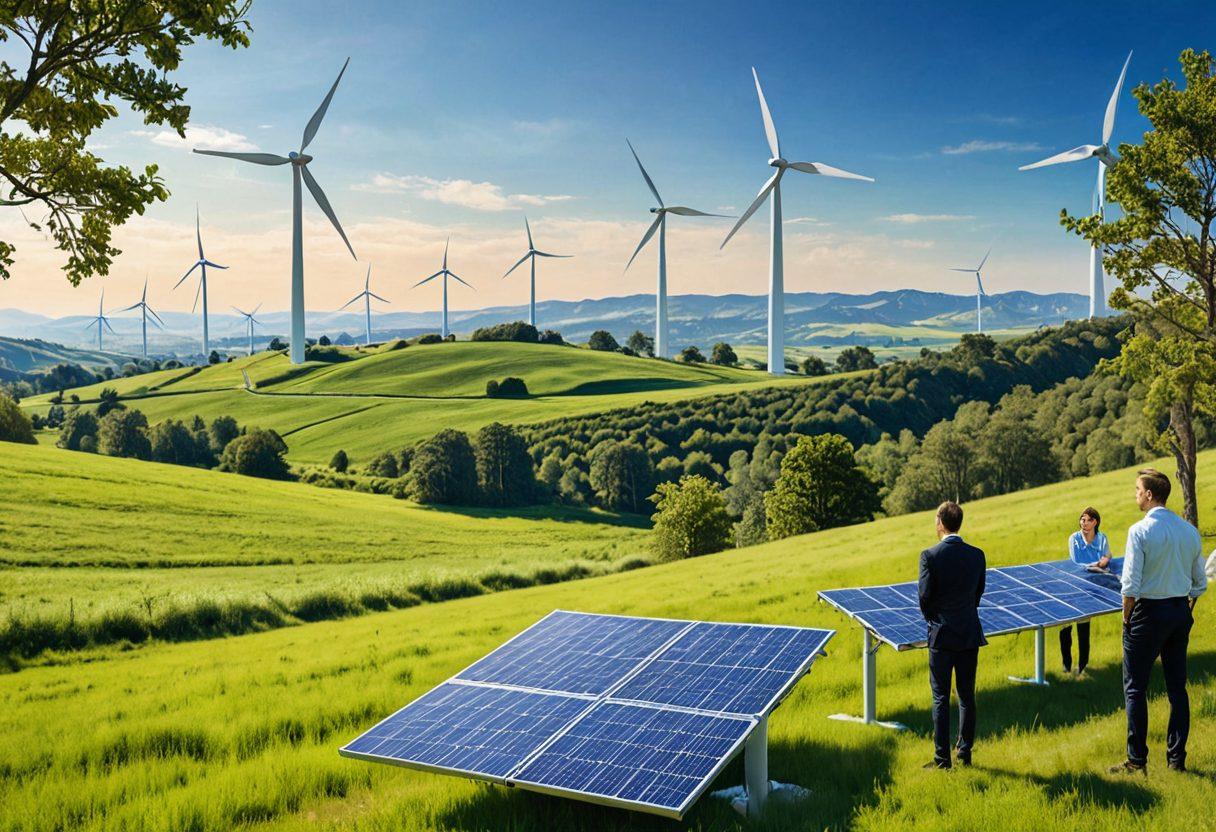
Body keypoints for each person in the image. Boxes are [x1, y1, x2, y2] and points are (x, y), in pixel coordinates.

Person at [1110, 469, 1206, 775]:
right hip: (1179, 613)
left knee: (1135, 688)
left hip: (1147, 615)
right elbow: (1200, 583)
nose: (1135, 494)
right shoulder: (1189, 531)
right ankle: (1176, 760)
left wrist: (1126, 619)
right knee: (1178, 688)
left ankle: (1136, 761)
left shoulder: (1139, 531)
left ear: (1149, 494)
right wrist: (1185, 605)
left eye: (1137, 489)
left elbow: (1130, 586)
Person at [918, 501, 987, 769]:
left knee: (940, 697)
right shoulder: (977, 555)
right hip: (969, 633)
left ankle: (941, 759)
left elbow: (924, 597)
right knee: (967, 696)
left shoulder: (930, 556)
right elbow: (978, 592)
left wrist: (935, 620)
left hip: (942, 635)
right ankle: (965, 753)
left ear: (940, 522)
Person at [1060, 507, 1111, 674]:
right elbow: (1075, 562)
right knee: (1065, 628)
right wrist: (1097, 564)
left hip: (1090, 589)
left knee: (1083, 631)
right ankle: (1066, 666)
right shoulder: (1073, 538)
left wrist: (1104, 560)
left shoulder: (1101, 538)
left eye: (1088, 519)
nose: (1084, 522)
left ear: (1095, 522)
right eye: (1082, 519)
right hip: (1071, 588)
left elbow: (1106, 556)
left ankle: (1082, 667)